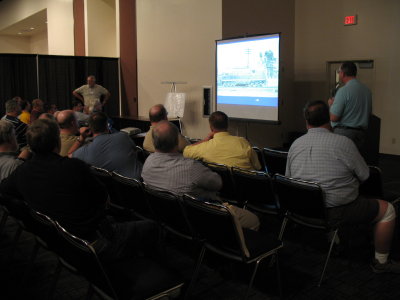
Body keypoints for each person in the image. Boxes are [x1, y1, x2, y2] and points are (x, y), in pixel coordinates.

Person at [286, 100, 399, 273]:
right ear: (329, 119)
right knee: (388, 210)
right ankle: (381, 263)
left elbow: (289, 179)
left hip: (303, 211)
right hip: (337, 212)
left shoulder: (295, 145)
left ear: (306, 121)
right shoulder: (343, 143)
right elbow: (365, 175)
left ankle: (335, 241)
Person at [142, 121, 260, 230]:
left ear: (154, 141)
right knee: (253, 220)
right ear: (177, 141)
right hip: (201, 216)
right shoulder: (191, 167)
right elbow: (218, 184)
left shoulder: (147, 163)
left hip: (171, 219)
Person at [72, 112, 142, 179]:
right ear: (107, 125)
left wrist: (81, 138)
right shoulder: (123, 136)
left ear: (90, 128)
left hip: (113, 190)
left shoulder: (84, 151)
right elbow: (135, 151)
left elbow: (69, 155)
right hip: (138, 186)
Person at [183, 111, 261, 170]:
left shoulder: (205, 147)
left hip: (221, 188)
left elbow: (186, 152)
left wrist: (205, 140)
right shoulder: (242, 142)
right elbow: (257, 166)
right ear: (227, 125)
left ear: (211, 127)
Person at [328, 62, 372, 150]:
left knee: (341, 161)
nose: (339, 74)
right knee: (354, 161)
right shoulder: (367, 90)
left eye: (339, 72)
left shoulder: (343, 91)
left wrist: (331, 105)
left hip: (344, 134)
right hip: (361, 135)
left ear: (343, 73)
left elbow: (333, 117)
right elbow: (368, 113)